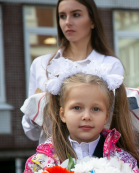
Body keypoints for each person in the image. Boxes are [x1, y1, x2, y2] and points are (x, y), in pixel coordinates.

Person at [22, 0, 124, 144]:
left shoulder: (109, 65)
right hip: (52, 158)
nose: (67, 22)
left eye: (76, 15)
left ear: (93, 21)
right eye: (62, 16)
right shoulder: (42, 65)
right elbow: (31, 132)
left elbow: (112, 123)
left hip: (97, 159)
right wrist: (36, 107)